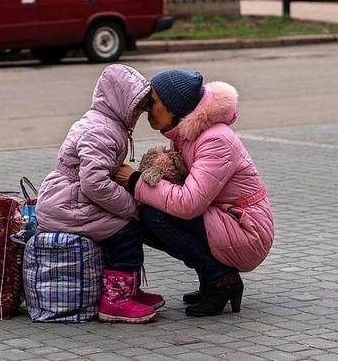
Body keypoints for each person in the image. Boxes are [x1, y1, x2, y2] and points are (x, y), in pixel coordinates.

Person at [117, 69, 274, 317]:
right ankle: (210, 276)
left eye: (154, 102)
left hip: (248, 230)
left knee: (155, 217)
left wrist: (135, 181)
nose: (148, 109)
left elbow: (189, 203)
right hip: (226, 218)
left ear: (174, 107)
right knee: (145, 217)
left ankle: (221, 279)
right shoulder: (187, 134)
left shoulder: (215, 140)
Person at [36, 64, 163, 324]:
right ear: (121, 102)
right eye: (137, 105)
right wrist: (131, 206)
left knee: (122, 228)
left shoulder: (105, 122)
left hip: (70, 199)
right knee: (126, 230)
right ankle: (117, 301)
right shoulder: (102, 131)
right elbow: (94, 183)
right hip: (68, 204)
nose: (140, 112)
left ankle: (128, 289)